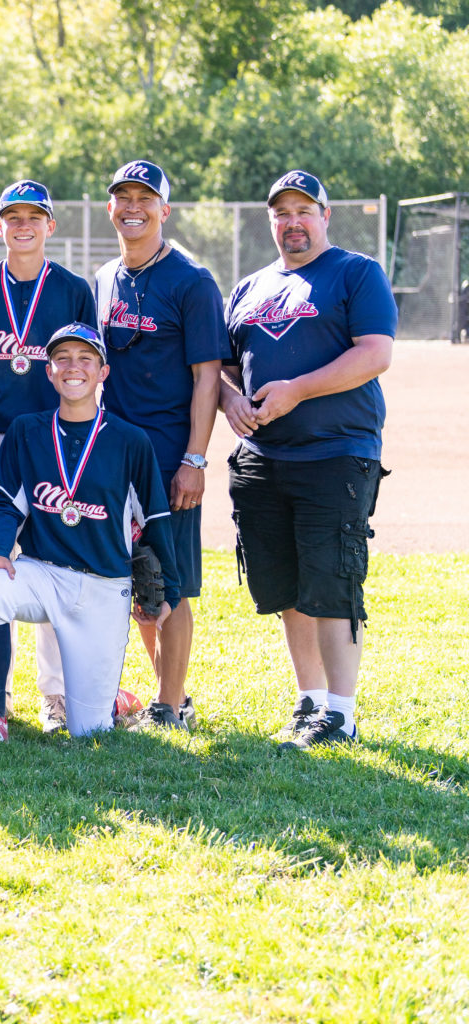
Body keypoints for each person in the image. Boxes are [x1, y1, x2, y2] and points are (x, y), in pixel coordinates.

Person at [221, 170, 395, 750]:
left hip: (335, 453)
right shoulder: (249, 287)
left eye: (303, 211)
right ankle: (311, 702)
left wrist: (296, 390)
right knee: (285, 585)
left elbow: (375, 355)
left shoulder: (355, 272)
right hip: (262, 457)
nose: (292, 222)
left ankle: (341, 714)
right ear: (271, 221)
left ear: (325, 215)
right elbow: (225, 367)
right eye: (281, 213)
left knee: (333, 581)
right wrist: (230, 401)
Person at [0, 323, 181, 744]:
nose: (73, 367)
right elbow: (7, 504)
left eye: (86, 359)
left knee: (89, 731)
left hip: (103, 586)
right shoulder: (26, 431)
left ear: (103, 372)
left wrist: (169, 592)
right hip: (43, 573)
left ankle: (111, 701)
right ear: (49, 371)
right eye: (62, 358)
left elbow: (155, 519)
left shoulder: (130, 441)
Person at [0, 180, 98, 732]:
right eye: (12, 217)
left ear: (50, 226)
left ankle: (55, 695)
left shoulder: (72, 288)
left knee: (56, 559)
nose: (23, 226)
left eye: (34, 217)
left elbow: (86, 367)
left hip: (55, 439)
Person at [95, 160, 226, 731]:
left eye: (145, 198)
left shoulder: (191, 281)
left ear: (164, 210)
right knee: (139, 577)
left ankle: (170, 707)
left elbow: (207, 377)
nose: (133, 208)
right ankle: (169, 696)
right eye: (123, 198)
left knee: (170, 580)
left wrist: (194, 459)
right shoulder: (105, 278)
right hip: (116, 455)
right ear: (110, 209)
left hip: (170, 454)